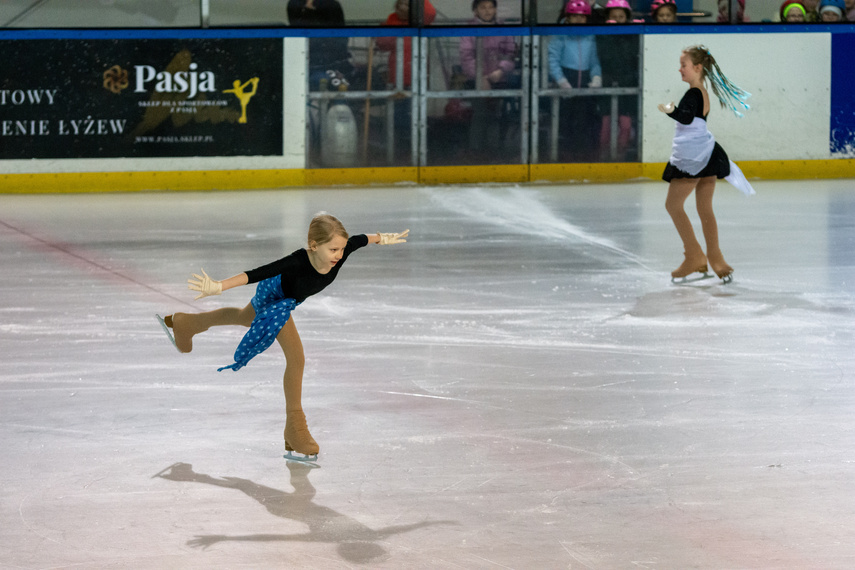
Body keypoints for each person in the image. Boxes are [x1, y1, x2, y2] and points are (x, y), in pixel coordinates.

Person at [156, 214, 409, 460]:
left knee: (245, 317)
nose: (339, 255)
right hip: (275, 297)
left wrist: (382, 238)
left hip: (286, 299)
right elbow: (257, 273)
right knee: (296, 359)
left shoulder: (340, 254)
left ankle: (185, 323)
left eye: (341, 249)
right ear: (313, 246)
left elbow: (360, 239)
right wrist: (219, 286)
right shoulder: (298, 261)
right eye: (333, 250)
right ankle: (295, 429)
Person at [658, 45, 754, 283]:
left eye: (684, 65)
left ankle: (694, 256)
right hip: (707, 154)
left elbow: (687, 117)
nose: (680, 69)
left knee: (673, 205)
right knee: (704, 209)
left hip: (693, 157)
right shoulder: (701, 92)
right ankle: (716, 259)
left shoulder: (694, 93)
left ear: (697, 68)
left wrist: (670, 110)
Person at [458, 0, 519, 154]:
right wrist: (481, 77)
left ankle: (496, 149)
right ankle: (476, 149)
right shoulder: (469, 30)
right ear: (475, 10)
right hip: (475, 80)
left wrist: (501, 71)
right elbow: (466, 58)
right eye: (483, 7)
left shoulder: (503, 27)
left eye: (491, 7)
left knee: (497, 113)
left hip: (500, 78)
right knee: (481, 112)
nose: (487, 11)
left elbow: (511, 54)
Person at [548, 0, 602, 161]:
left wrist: (596, 76)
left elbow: (594, 61)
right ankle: (564, 154)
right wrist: (561, 80)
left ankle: (582, 154)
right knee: (565, 120)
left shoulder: (590, 36)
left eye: (582, 17)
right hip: (566, 79)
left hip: (585, 81)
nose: (579, 20)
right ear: (568, 18)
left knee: (584, 119)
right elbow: (552, 59)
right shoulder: (560, 35)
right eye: (575, 17)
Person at [598, 0, 640, 161]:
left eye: (621, 17)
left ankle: (620, 156)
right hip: (606, 83)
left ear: (627, 18)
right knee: (606, 124)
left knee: (626, 125)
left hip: (628, 84)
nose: (617, 20)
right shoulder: (602, 37)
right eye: (613, 17)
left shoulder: (632, 37)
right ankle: (603, 155)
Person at [288, 0, 351, 87]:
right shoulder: (295, 5)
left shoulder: (332, 6)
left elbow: (339, 38)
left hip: (332, 63)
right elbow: (299, 28)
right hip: (305, 64)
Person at [376, 0, 437, 90]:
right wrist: (382, 32)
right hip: (396, 73)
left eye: (407, 5)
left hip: (418, 73)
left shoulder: (419, 20)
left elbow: (430, 13)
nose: (402, 7)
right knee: (399, 101)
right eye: (400, 4)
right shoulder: (392, 19)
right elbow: (383, 45)